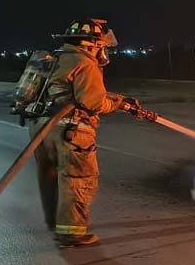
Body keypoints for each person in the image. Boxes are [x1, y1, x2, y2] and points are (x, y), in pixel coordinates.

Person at [30, 18, 147, 247]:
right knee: (78, 180)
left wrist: (121, 100)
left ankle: (57, 225)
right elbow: (93, 102)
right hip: (71, 132)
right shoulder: (85, 62)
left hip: (43, 129)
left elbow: (75, 92)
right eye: (101, 44)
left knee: (51, 178)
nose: (103, 49)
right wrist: (117, 105)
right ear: (90, 43)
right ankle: (72, 234)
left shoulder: (58, 57)